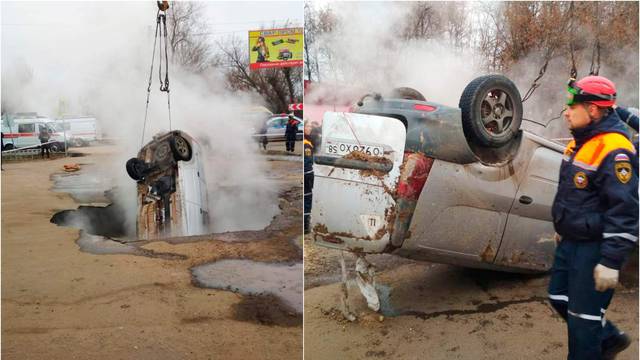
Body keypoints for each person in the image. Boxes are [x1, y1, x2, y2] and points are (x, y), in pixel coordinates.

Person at [548, 75, 638, 360]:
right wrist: (562, 226)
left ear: (593, 110)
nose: (566, 111)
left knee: (582, 325)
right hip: (571, 241)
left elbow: (625, 211)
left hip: (594, 248)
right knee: (559, 297)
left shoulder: (614, 150)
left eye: (572, 106)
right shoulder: (578, 143)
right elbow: (574, 195)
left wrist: (611, 262)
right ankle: (610, 338)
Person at [303, 121, 316, 233]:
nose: (310, 128)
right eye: (308, 126)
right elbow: (307, 161)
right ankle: (305, 226)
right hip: (307, 174)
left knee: (306, 196)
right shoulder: (306, 143)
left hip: (306, 173)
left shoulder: (308, 141)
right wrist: (309, 174)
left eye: (311, 126)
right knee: (307, 197)